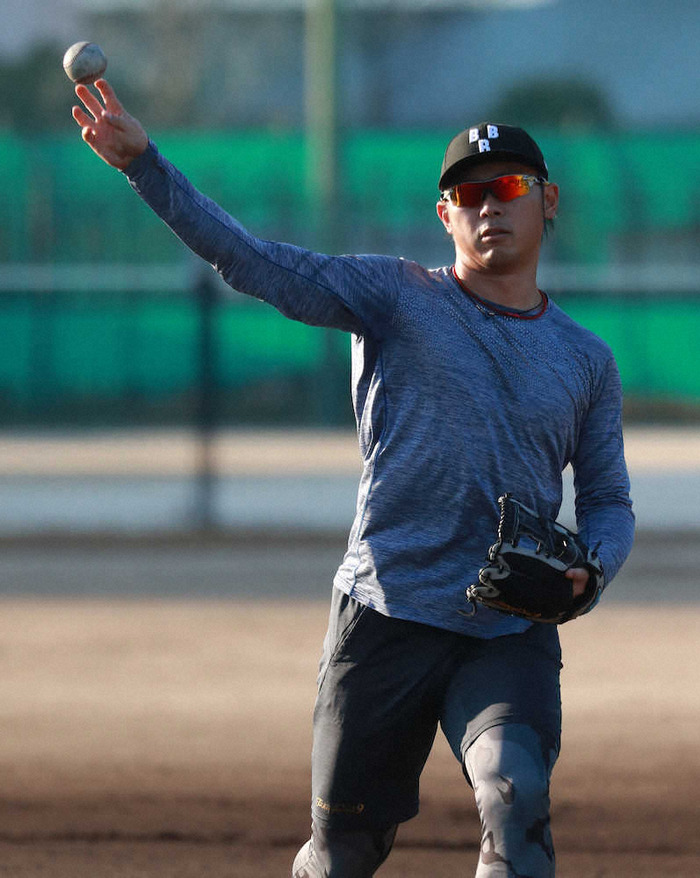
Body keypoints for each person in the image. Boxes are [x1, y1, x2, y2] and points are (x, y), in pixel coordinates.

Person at [72, 81, 635, 877]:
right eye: (467, 194)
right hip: (384, 615)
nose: (488, 206)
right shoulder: (395, 297)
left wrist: (595, 567)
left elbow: (608, 500)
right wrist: (145, 167)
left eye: (508, 187)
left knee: (514, 796)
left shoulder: (586, 361)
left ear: (548, 202)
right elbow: (252, 261)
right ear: (444, 217)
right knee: (345, 853)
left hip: (506, 629)